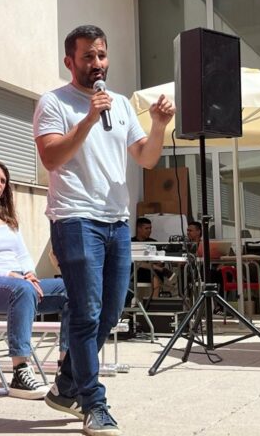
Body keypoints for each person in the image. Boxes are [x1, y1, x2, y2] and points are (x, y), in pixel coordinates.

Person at [33, 25, 174, 436]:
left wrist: (159, 125)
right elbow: (51, 158)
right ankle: (93, 402)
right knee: (87, 311)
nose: (97, 64)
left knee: (110, 312)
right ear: (70, 61)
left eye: (101, 55)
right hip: (75, 218)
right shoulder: (54, 102)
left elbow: (146, 158)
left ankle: (66, 386)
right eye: (88, 57)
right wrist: (89, 120)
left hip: (116, 221)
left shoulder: (122, 105)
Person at [0, 158, 69, 399]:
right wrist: (12, 276)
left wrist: (30, 275)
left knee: (70, 289)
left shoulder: (7, 219)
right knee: (22, 289)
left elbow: (23, 254)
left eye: (3, 180)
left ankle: (66, 369)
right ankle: (20, 371)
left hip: (20, 285)